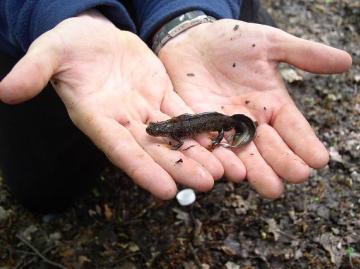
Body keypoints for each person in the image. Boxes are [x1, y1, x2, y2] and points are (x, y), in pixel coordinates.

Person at [0, 0, 352, 213]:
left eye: (156, 130)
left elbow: (183, 132)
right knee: (42, 190)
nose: (155, 131)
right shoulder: (173, 130)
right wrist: (64, 13)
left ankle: (235, 137)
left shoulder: (185, 129)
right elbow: (179, 132)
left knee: (226, 133)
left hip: (218, 111)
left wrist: (184, 15)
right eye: (156, 131)